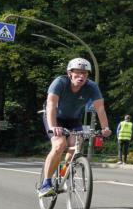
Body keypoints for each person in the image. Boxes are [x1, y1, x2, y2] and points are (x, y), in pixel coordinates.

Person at [38, 58, 111, 197]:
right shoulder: (60, 82)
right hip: (54, 118)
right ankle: (46, 184)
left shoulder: (91, 86)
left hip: (73, 120)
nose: (81, 76)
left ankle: (62, 175)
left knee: (75, 147)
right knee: (59, 145)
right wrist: (53, 127)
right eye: (77, 73)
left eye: (84, 73)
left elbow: (100, 108)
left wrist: (105, 128)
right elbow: (51, 105)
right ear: (69, 73)